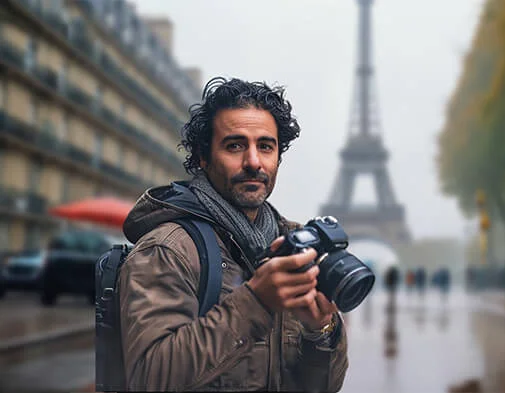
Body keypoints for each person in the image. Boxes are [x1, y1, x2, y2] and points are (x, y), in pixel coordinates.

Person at [118, 77, 349, 391]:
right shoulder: (167, 249)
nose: (253, 162)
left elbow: (323, 388)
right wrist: (256, 302)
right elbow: (148, 379)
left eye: (265, 146)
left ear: (278, 157)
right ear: (203, 156)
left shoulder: (294, 245)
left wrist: (320, 331)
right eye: (235, 145)